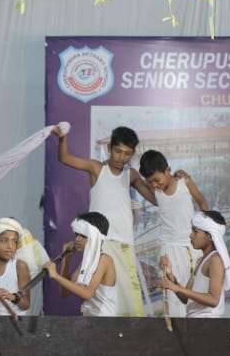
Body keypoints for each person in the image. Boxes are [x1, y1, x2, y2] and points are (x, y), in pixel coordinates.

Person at [51, 125, 158, 316]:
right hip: (100, 242)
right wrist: (62, 138)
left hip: (124, 244)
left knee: (128, 298)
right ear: (109, 148)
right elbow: (64, 158)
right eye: (118, 151)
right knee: (94, 293)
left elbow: (156, 200)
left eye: (127, 153)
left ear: (132, 154)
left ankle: (128, 333)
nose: (121, 157)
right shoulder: (96, 168)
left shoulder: (131, 175)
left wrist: (167, 182)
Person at [138, 150, 209, 318]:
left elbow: (202, 202)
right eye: (150, 182)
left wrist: (205, 229)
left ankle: (198, 324)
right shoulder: (155, 191)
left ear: (168, 170)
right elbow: (139, 181)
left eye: (157, 180)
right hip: (168, 247)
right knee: (171, 293)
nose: (155, 185)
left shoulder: (185, 182)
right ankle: (175, 327)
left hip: (190, 245)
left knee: (195, 288)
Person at [160, 210, 230, 318]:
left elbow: (213, 300)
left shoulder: (215, 260)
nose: (191, 235)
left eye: (195, 231)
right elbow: (185, 298)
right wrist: (170, 275)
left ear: (210, 236)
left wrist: (177, 288)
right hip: (196, 320)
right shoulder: (200, 261)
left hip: (207, 321)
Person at [45, 212, 117, 317]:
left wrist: (55, 276)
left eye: (83, 235)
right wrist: (66, 261)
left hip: (105, 322)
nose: (77, 239)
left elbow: (87, 294)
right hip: (91, 320)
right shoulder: (86, 262)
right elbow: (64, 292)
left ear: (95, 236)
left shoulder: (104, 259)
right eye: (76, 234)